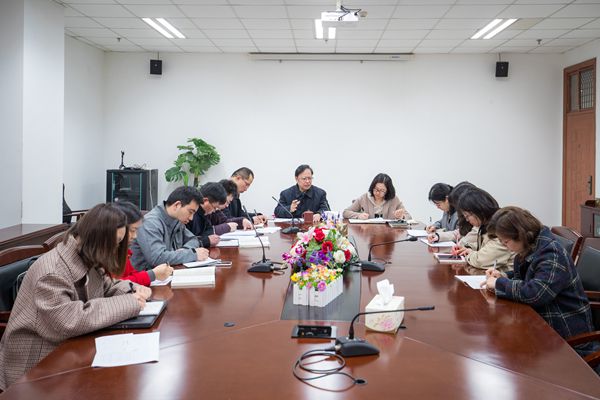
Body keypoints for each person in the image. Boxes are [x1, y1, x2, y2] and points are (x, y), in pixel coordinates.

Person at [0, 204, 151, 390]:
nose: (118, 248)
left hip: (66, 350)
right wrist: (128, 303)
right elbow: (69, 320)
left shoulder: (86, 255)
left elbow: (107, 287)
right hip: (35, 363)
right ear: (98, 239)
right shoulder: (52, 272)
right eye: (117, 242)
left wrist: (133, 289)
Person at [482, 206, 599, 362]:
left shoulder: (551, 253)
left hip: (564, 334)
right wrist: (503, 276)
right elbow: (530, 277)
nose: (504, 246)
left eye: (506, 242)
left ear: (520, 235)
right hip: (542, 321)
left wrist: (499, 284)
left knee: (510, 355)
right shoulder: (531, 246)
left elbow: (535, 293)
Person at [130, 186, 210, 270]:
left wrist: (184, 250)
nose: (191, 218)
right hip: (147, 275)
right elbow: (157, 258)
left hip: (169, 271)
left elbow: (193, 239)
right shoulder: (151, 223)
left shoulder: (177, 220)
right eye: (190, 212)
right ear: (177, 205)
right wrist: (192, 254)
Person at [452, 187, 515, 272]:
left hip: (507, 276)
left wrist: (468, 255)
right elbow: (487, 247)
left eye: (467, 215)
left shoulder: (500, 226)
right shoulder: (486, 225)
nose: (467, 220)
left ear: (478, 210)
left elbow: (481, 260)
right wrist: (468, 249)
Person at [113, 201, 173, 286]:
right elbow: (114, 284)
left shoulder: (124, 251)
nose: (135, 236)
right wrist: (152, 274)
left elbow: (132, 274)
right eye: (132, 230)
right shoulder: (108, 253)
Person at [342, 173, 411, 220]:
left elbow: (409, 216)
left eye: (382, 191)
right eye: (376, 189)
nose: (377, 193)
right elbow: (345, 212)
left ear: (388, 191)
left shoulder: (394, 199)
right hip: (368, 234)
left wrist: (402, 216)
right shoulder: (364, 198)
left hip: (388, 234)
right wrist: (358, 215)